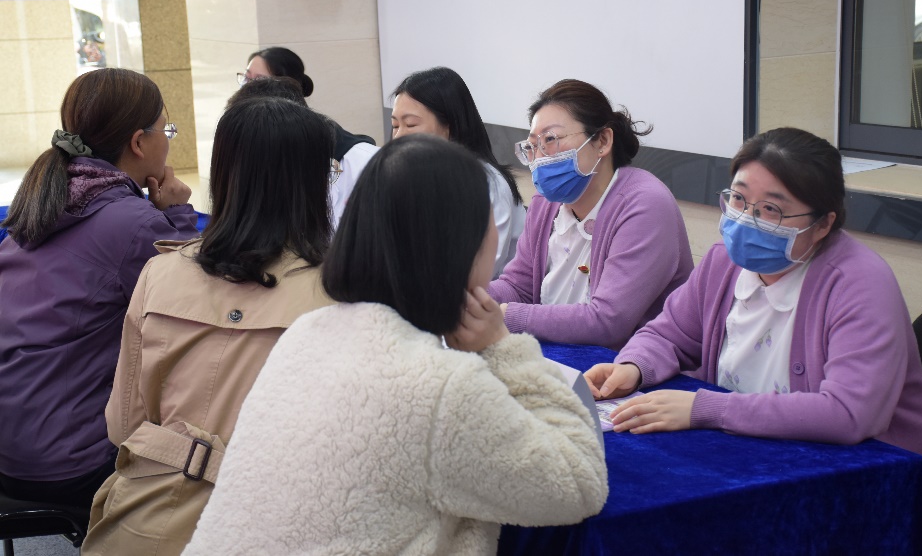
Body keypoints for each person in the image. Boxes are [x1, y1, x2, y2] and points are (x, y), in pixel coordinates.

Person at [182, 135, 608, 555]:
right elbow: (580, 483)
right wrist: (503, 348)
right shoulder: (440, 387)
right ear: (460, 244)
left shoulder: (306, 332)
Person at [82, 96, 336, 555]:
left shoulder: (160, 274)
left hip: (144, 525)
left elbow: (122, 426)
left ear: (222, 176)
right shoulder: (344, 293)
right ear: (312, 182)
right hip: (275, 529)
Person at [584, 127, 922, 463]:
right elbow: (668, 334)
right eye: (738, 199)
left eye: (771, 210)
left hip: (869, 473)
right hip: (750, 455)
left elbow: (847, 412)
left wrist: (707, 408)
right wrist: (634, 367)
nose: (747, 219)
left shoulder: (859, 283)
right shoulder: (723, 261)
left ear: (823, 224)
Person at [0, 68, 198, 508]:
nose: (168, 141)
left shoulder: (43, 202)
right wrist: (178, 214)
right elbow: (195, 302)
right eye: (165, 129)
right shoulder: (134, 225)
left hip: (13, 452)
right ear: (138, 142)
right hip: (72, 463)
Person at [488, 79, 693, 349]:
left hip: (623, 364)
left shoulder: (645, 205)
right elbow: (518, 287)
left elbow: (607, 321)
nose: (539, 158)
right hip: (558, 351)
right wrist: (470, 298)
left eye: (550, 140)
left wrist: (504, 316)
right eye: (532, 146)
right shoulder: (545, 203)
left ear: (603, 141)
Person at [392, 66, 525, 277]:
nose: (398, 136)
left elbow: (478, 275)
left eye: (410, 124)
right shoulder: (415, 178)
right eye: (394, 125)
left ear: (450, 126)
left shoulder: (488, 185)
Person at [238, 47, 378, 224]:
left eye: (258, 80)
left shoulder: (356, 158)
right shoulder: (251, 143)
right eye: (246, 78)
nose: (247, 87)